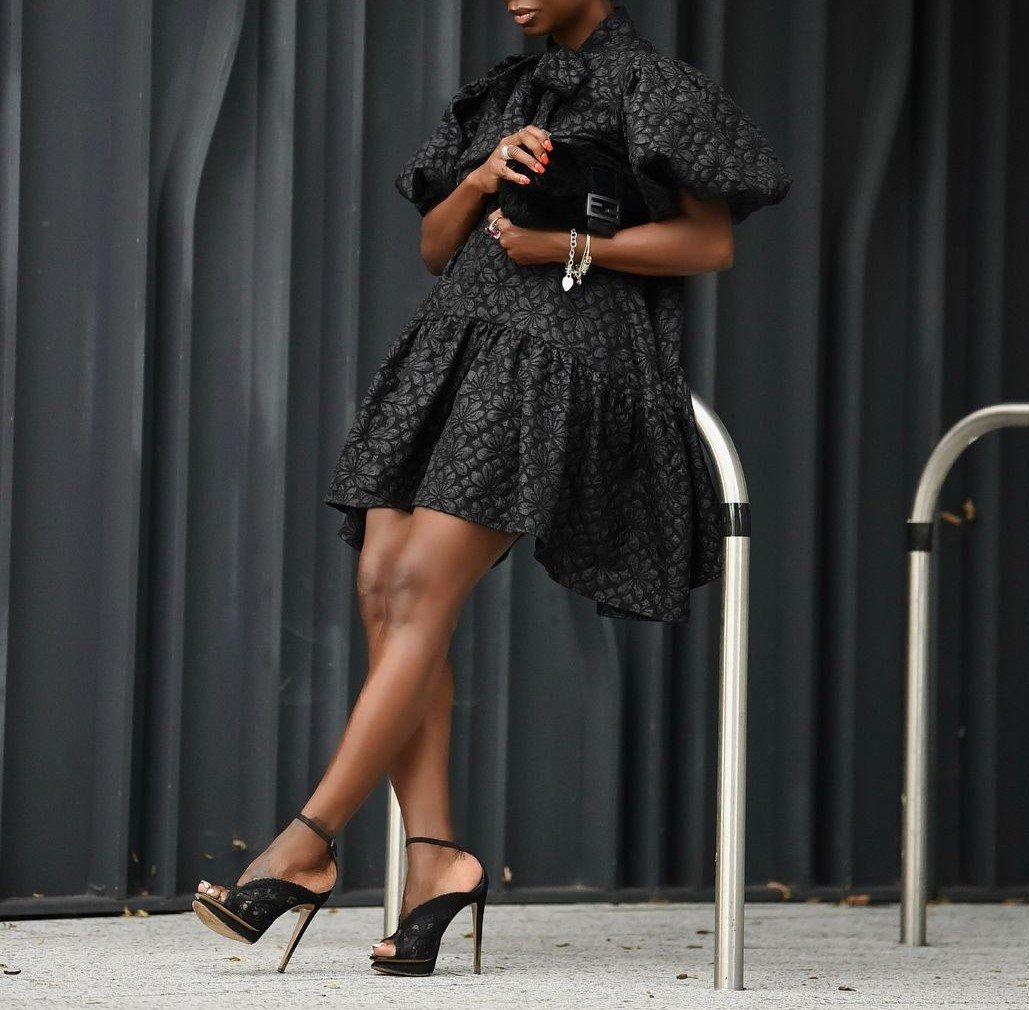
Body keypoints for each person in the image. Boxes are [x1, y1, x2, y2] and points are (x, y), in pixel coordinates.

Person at [192, 0, 792, 978]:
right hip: (454, 344)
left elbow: (709, 243)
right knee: (386, 582)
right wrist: (478, 175)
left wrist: (568, 247)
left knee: (420, 586)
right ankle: (438, 863)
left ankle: (306, 843)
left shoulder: (655, 89)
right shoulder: (503, 92)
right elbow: (437, 247)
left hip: (561, 351)